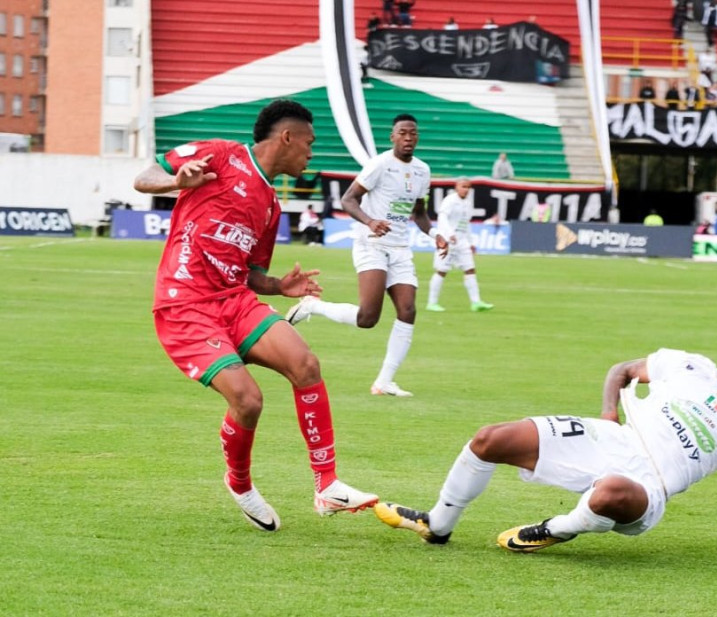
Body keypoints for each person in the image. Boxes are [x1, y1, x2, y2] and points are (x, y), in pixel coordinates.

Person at [373, 323, 717, 563]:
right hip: (612, 437)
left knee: (609, 493)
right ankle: (437, 524)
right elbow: (622, 370)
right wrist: (608, 411)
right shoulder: (686, 364)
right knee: (489, 439)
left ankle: (554, 529)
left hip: (646, 487)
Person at [132, 99, 378, 531]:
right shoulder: (223, 154)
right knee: (248, 400)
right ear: (287, 137)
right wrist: (176, 179)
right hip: (185, 303)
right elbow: (143, 177)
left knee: (305, 363)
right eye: (309, 143)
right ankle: (240, 483)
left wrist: (280, 287)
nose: (311, 153)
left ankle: (327, 485)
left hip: (233, 300)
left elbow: (250, 276)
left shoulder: (270, 204)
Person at [286, 114, 448, 398]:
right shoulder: (380, 165)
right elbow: (348, 199)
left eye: (413, 133)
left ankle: (384, 382)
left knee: (408, 310)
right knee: (367, 318)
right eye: (403, 133)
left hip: (399, 247)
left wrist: (433, 235)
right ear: (392, 136)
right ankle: (313, 306)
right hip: (370, 242)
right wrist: (371, 221)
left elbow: (419, 212)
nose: (409, 138)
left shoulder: (422, 170)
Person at [425, 177, 495, 313]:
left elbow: (466, 223)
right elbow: (442, 217)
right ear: (456, 187)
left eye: (468, 187)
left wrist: (471, 242)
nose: (466, 189)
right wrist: (449, 233)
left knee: (470, 269)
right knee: (441, 271)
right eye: (463, 186)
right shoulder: (450, 201)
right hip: (448, 240)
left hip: (462, 241)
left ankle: (476, 302)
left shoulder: (468, 203)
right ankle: (431, 303)